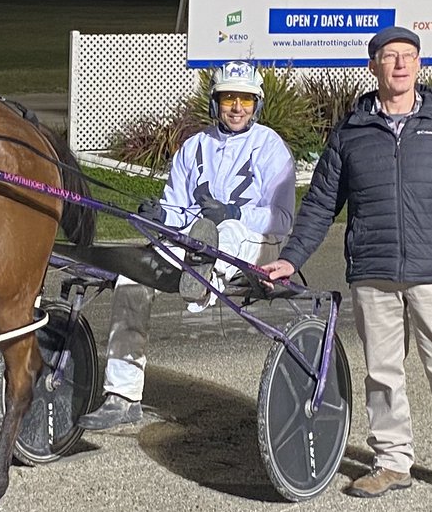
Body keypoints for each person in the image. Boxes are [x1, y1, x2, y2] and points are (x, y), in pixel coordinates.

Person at [262, 25, 432, 505]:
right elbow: (322, 202)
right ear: (373, 65)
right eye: (390, 56)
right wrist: (290, 258)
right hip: (373, 271)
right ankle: (392, 461)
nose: (400, 64)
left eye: (408, 56)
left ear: (419, 64)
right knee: (384, 373)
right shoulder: (352, 131)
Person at [78, 61, 296, 430]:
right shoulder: (194, 147)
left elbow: (283, 218)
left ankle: (204, 278)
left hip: (257, 243)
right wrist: (162, 216)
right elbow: (179, 207)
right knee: (135, 276)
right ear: (215, 102)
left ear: (256, 104)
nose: (237, 107)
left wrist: (233, 213)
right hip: (196, 243)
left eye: (245, 99)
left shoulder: (271, 147)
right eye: (229, 98)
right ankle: (122, 395)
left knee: (226, 233)